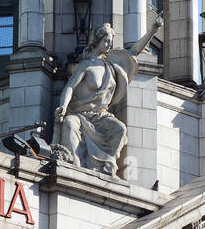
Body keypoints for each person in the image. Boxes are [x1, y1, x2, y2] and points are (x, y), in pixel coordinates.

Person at [53, 15, 162, 176]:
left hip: (100, 116)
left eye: (111, 41)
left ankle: (106, 166)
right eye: (106, 41)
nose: (109, 45)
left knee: (119, 129)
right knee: (69, 124)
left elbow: (135, 51)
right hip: (79, 114)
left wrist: (153, 30)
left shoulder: (111, 64)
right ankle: (76, 165)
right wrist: (63, 105)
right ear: (96, 41)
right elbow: (70, 87)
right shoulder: (86, 65)